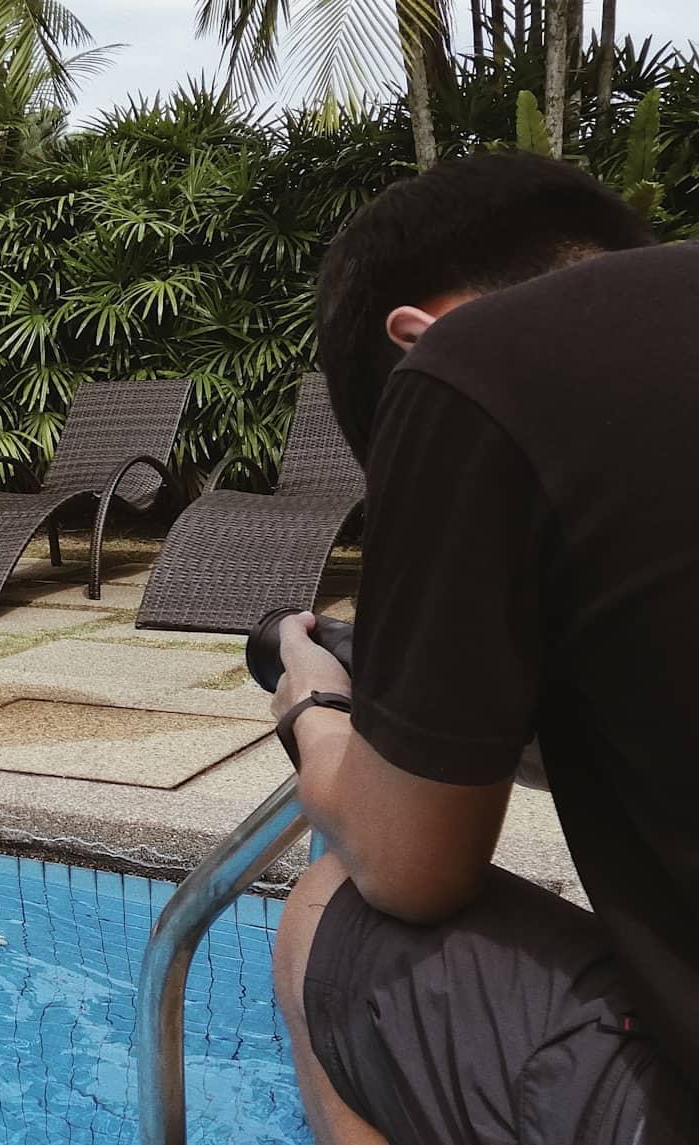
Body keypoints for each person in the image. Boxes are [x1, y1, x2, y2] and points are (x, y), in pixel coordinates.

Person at [269, 151, 699, 1143]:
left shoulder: (472, 362)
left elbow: (412, 864)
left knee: (326, 915)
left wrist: (314, 705)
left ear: (418, 338)